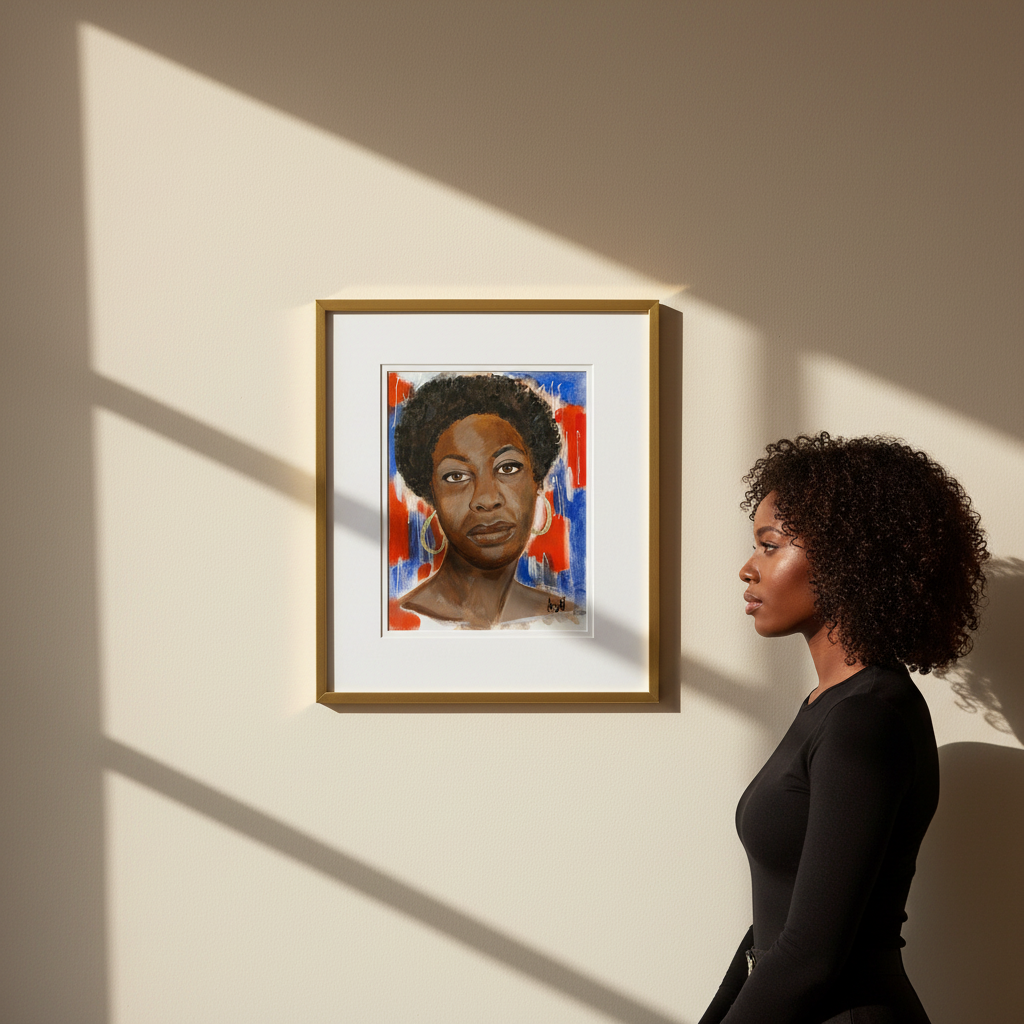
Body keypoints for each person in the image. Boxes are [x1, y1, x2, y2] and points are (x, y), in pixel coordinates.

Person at [699, 432, 988, 1024]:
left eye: (770, 546)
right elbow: (773, 932)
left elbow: (810, 954)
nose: (747, 569)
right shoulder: (829, 705)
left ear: (846, 559)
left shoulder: (866, 719)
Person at [392, 372, 576, 629]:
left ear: (537, 482)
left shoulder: (567, 618)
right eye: (456, 476)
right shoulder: (403, 626)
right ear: (430, 494)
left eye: (508, 468)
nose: (487, 499)